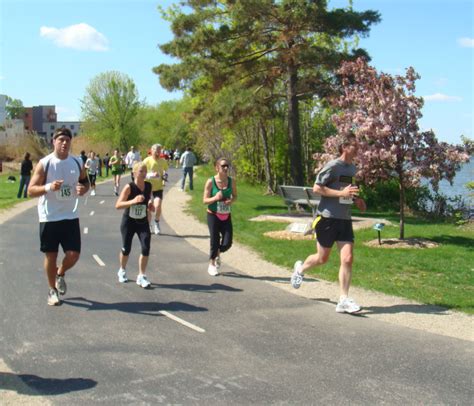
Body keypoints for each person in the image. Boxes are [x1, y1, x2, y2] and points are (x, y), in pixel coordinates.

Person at [290, 133, 367, 314]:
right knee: (322, 258)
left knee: (348, 258)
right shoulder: (333, 166)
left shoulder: (352, 169)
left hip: (345, 219)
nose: (358, 148)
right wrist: (341, 194)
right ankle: (300, 270)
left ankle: (343, 300)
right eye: (355, 145)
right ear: (345, 147)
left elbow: (347, 191)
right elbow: (317, 188)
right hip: (327, 218)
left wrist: (357, 200)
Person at [28, 128, 89, 306]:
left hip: (70, 216)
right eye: (60, 140)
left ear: (71, 143)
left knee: (74, 255)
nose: (64, 143)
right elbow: (30, 190)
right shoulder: (45, 163)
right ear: (53, 142)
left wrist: (83, 189)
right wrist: (48, 187)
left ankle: (60, 273)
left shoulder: (77, 162)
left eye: (67, 140)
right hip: (49, 216)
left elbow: (85, 182)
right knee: (51, 256)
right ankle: (52, 290)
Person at [115, 162, 155, 288]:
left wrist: (150, 205)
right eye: (141, 171)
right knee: (126, 248)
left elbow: (149, 199)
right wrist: (133, 201)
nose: (143, 174)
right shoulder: (129, 187)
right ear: (134, 173)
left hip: (142, 221)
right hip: (129, 222)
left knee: (146, 246)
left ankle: (141, 275)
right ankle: (122, 269)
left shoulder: (149, 185)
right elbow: (118, 205)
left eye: (145, 171)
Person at [203, 157, 237, 276]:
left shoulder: (231, 181)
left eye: (227, 165)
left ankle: (217, 252)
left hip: (226, 215)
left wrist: (231, 201)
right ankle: (211, 264)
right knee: (214, 240)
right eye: (223, 166)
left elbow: (235, 196)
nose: (226, 168)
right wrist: (215, 198)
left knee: (227, 243)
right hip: (213, 215)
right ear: (217, 167)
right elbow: (204, 200)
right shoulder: (210, 182)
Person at [143, 144, 168, 235]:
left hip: (158, 187)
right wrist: (151, 175)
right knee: (149, 207)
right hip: (148, 186)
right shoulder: (146, 161)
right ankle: (148, 225)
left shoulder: (163, 161)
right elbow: (141, 174)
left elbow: (165, 172)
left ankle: (156, 222)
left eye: (159, 151)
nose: (158, 153)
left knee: (157, 205)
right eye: (156, 151)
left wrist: (164, 176)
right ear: (151, 150)